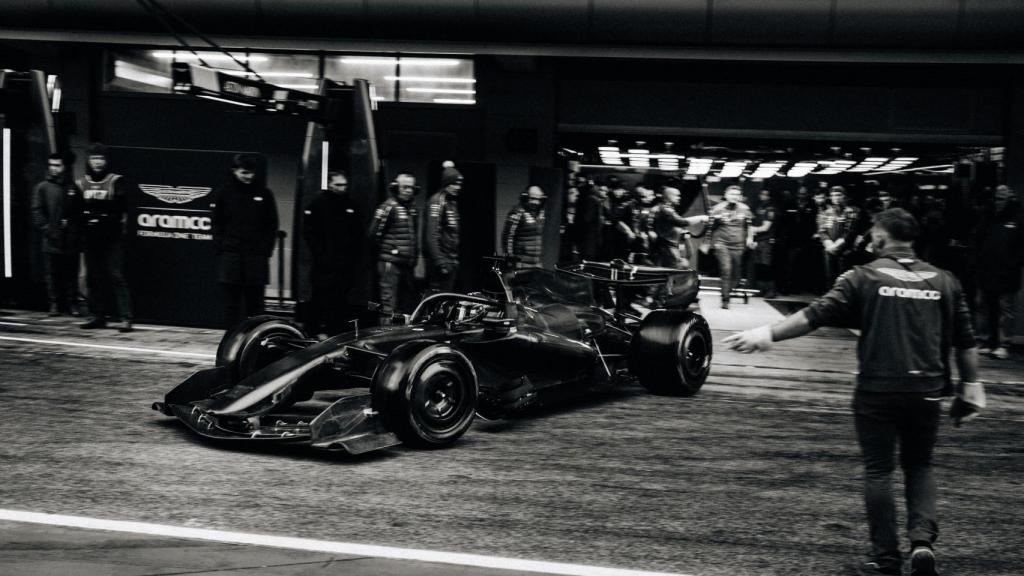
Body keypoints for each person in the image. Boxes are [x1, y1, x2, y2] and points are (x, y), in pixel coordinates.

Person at [724, 208, 982, 576]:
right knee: (920, 464)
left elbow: (814, 315)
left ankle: (886, 558)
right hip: (927, 389)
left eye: (872, 234)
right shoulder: (946, 280)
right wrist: (971, 388)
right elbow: (967, 341)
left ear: (880, 238)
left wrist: (765, 335)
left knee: (879, 470)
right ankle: (922, 543)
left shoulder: (862, 276)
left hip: (877, 388)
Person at [211, 153, 279, 331]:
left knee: (255, 303)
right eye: (244, 172)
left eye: (251, 172)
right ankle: (232, 337)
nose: (248, 176)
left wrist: (265, 251)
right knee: (231, 303)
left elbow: (272, 224)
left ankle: (255, 336)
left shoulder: (264, 194)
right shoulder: (224, 193)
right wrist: (222, 247)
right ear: (234, 171)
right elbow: (216, 223)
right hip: (231, 255)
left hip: (255, 257)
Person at [77, 143, 133, 332]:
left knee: (116, 275)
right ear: (88, 160)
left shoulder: (116, 181)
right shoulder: (80, 183)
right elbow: (75, 212)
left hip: (111, 238)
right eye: (94, 158)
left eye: (100, 158)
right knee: (93, 277)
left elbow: (119, 210)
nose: (97, 162)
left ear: (106, 161)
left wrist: (98, 217)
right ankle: (97, 316)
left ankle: (126, 317)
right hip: (90, 239)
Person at [302, 170, 361, 336]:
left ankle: (335, 333)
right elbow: (309, 232)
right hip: (324, 264)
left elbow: (358, 234)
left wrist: (351, 258)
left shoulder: (351, 206)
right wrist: (321, 255)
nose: (342, 188)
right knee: (319, 298)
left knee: (340, 301)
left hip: (343, 265)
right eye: (338, 184)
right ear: (329, 184)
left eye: (344, 185)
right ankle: (311, 331)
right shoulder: (318, 203)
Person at [974, 184, 1023, 359]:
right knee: (984, 307)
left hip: (1008, 272)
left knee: (1005, 309)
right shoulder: (987, 217)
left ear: (1010, 199)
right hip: (986, 269)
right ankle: (984, 341)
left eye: (1001, 199)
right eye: (996, 199)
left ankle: (1003, 343)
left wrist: (1013, 264)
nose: (998, 202)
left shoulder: (1018, 218)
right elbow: (977, 240)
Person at [31, 153, 82, 317]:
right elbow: (37, 211)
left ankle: (72, 304)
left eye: (57, 165)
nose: (54, 168)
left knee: (71, 274)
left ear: (63, 167)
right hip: (51, 239)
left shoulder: (72, 187)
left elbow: (79, 212)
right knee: (52, 274)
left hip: (69, 240)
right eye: (51, 165)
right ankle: (54, 304)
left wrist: (73, 228)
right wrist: (48, 229)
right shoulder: (42, 187)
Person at [370, 172, 419, 322]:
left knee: (405, 305)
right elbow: (373, 234)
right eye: (404, 187)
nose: (408, 191)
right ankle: (384, 336)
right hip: (390, 264)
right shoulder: (388, 206)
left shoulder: (412, 209)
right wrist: (389, 252)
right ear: (396, 187)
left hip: (407, 265)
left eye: (411, 187)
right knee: (388, 305)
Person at [709, 185, 754, 309]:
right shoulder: (717, 209)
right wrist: (710, 243)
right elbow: (711, 228)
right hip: (722, 243)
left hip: (739, 245)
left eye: (737, 194)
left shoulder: (745, 209)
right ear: (726, 195)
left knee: (736, 274)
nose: (734, 196)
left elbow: (749, 226)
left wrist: (750, 238)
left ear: (740, 196)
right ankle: (725, 299)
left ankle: (729, 290)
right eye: (731, 194)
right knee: (726, 270)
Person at [424, 162, 463, 293]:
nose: (458, 187)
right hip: (440, 263)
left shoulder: (451, 203)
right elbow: (431, 235)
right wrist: (440, 261)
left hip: (450, 261)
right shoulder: (437, 201)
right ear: (446, 183)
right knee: (436, 300)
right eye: (454, 183)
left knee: (446, 301)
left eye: (459, 184)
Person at [819, 185, 861, 285]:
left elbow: (849, 232)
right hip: (829, 250)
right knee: (829, 278)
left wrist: (836, 246)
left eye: (838, 195)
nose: (836, 198)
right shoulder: (826, 213)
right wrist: (828, 245)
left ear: (844, 196)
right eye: (833, 195)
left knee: (843, 279)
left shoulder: (852, 211)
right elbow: (822, 231)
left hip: (845, 251)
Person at [502, 185, 546, 268]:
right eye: (532, 198)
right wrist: (511, 259)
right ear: (525, 198)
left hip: (537, 263)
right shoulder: (517, 212)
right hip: (521, 264)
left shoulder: (541, 213)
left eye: (538, 199)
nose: (536, 202)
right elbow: (507, 237)